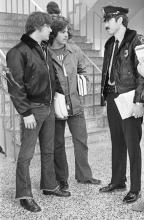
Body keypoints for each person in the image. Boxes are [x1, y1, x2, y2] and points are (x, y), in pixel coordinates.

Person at [6, 11, 71, 213]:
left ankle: (49, 185)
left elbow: (52, 76)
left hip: (49, 106)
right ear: (39, 27)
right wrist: (25, 113)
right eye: (49, 27)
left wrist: (60, 96)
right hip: (32, 109)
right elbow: (15, 86)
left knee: (48, 150)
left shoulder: (43, 49)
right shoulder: (17, 52)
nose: (51, 30)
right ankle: (24, 195)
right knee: (26, 155)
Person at [48, 17, 101, 191]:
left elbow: (82, 71)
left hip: (75, 103)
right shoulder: (45, 52)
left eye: (67, 31)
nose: (66, 34)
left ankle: (84, 176)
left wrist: (83, 81)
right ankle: (62, 178)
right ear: (54, 33)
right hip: (55, 105)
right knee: (58, 144)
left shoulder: (75, 50)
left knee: (81, 141)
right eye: (63, 31)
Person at [99, 5, 144, 203]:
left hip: (129, 97)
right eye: (105, 19)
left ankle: (135, 188)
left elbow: (143, 75)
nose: (105, 23)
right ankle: (118, 181)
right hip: (112, 97)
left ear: (120, 20)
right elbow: (107, 73)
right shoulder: (110, 43)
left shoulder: (137, 40)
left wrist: (139, 101)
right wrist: (104, 98)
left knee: (132, 144)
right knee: (116, 142)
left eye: (108, 19)